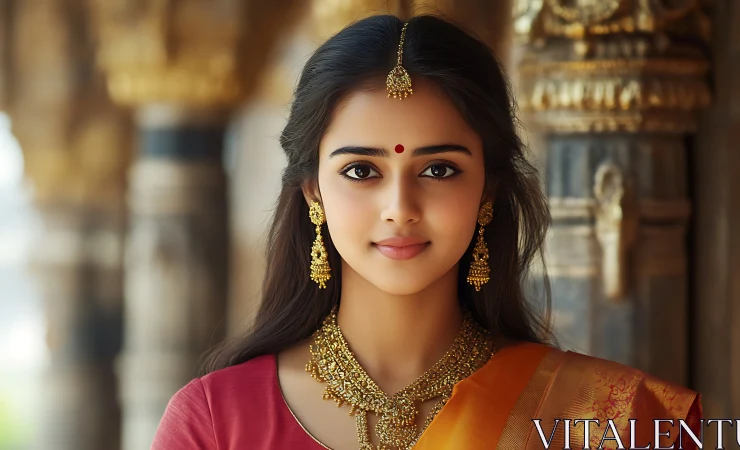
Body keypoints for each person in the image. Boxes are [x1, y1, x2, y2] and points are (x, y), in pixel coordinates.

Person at [151, 14, 701, 450]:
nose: (400, 207)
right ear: (312, 191)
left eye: (438, 169)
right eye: (361, 171)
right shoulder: (216, 424)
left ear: (488, 190)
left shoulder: (607, 421)